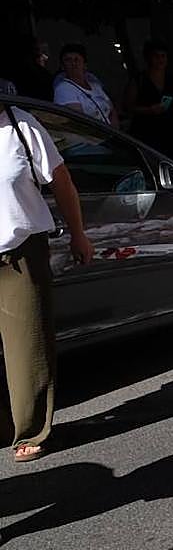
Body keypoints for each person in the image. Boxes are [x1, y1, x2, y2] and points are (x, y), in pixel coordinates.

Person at [1, 101, 93, 462]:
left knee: (28, 346)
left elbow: (62, 181)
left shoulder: (19, 125)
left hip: (20, 251)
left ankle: (29, 429)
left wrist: (78, 235)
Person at [124, 39, 173, 163]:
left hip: (171, 133)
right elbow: (127, 107)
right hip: (146, 133)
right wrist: (148, 110)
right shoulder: (139, 80)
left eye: (163, 56)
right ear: (148, 58)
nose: (160, 60)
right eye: (156, 56)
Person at [52, 44, 118, 127]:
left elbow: (112, 111)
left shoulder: (96, 86)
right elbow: (79, 121)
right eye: (68, 60)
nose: (73, 63)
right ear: (62, 66)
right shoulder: (63, 89)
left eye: (77, 60)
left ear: (85, 65)